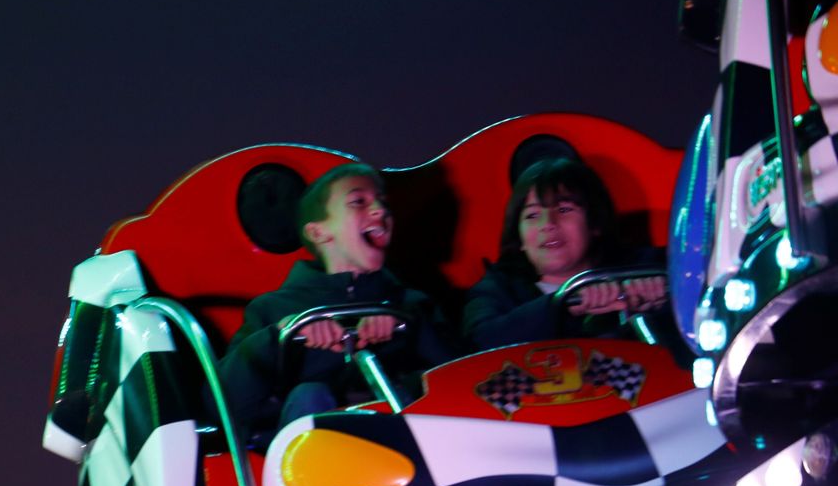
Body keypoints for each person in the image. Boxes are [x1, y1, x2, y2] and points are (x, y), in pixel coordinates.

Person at [218, 162, 457, 430]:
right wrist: (282, 334)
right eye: (358, 202)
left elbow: (459, 385)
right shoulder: (270, 309)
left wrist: (410, 326)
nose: (380, 210)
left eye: (382, 202)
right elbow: (224, 404)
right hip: (310, 454)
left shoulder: (413, 304)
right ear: (318, 232)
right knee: (309, 394)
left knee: (399, 392)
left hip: (400, 443)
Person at [463, 158, 666, 349]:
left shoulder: (649, 267)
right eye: (532, 215)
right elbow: (479, 343)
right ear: (519, 238)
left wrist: (662, 305)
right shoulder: (496, 291)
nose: (548, 225)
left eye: (563, 210)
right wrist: (563, 306)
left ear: (594, 222)